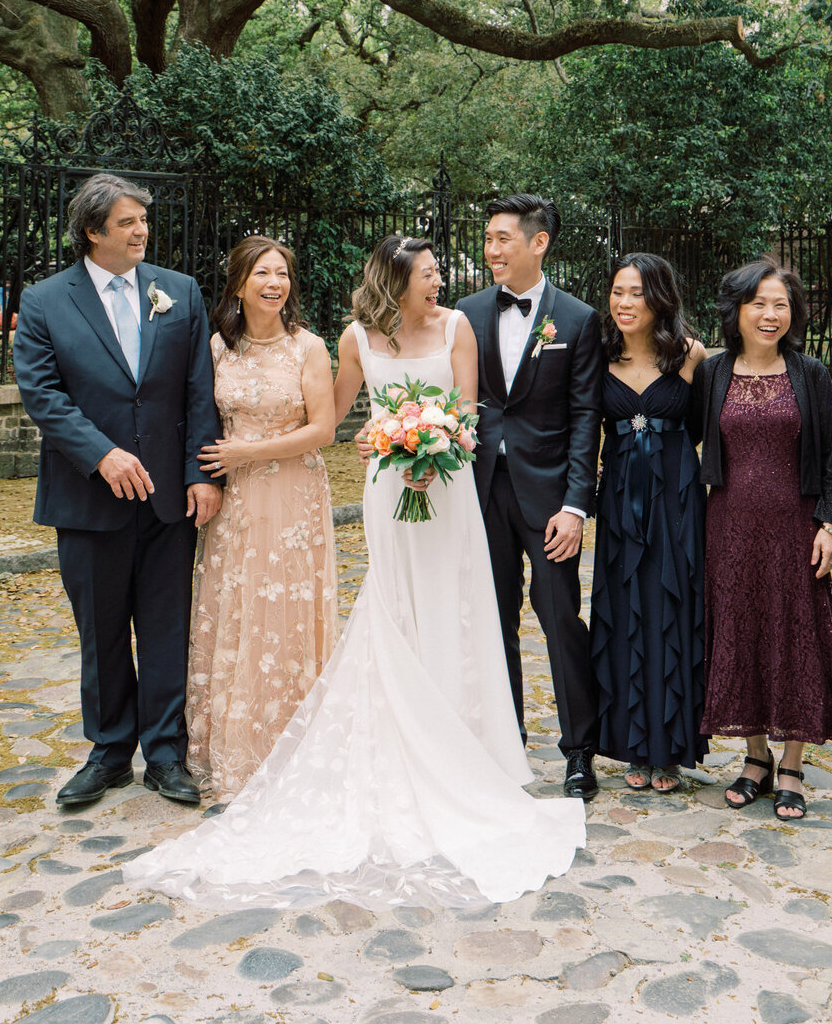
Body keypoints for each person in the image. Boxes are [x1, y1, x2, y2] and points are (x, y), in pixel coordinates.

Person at [125, 235, 584, 907]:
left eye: (437, 272)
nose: (438, 281)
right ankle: (399, 738)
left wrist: (439, 445)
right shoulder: (354, 339)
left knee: (456, 602)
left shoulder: (458, 326)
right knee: (394, 605)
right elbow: (334, 417)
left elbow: (466, 409)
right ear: (395, 279)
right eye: (427, 273)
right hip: (387, 489)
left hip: (448, 487)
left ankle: (466, 744)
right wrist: (385, 441)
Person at [12, 172, 222, 811]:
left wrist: (200, 474)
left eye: (143, 221)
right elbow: (43, 396)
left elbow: (198, 391)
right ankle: (108, 753)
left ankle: (165, 755)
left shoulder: (178, 291)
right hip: (88, 499)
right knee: (100, 633)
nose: (142, 231)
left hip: (169, 500)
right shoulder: (46, 301)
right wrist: (100, 454)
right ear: (93, 231)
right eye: (128, 222)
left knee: (166, 626)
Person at [692, 258, 832, 820]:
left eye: (780, 304)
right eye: (758, 303)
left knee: (795, 636)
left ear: (793, 312)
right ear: (736, 310)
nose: (769, 314)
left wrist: (829, 526)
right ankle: (754, 758)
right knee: (741, 634)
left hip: (795, 528)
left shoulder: (808, 373)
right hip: (729, 527)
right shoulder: (712, 373)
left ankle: (791, 763)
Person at [455, 194, 605, 800]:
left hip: (549, 500)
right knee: (494, 624)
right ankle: (503, 742)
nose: (491, 250)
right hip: (480, 491)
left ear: (538, 243)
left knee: (560, 619)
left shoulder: (576, 319)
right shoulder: (464, 313)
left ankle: (579, 753)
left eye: (502, 239)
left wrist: (574, 506)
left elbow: (585, 417)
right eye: (487, 239)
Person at [185, 237, 338, 800]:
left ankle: (291, 742)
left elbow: (323, 429)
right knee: (239, 605)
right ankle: (233, 742)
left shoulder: (309, 347)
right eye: (262, 273)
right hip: (238, 502)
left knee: (287, 609)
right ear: (239, 283)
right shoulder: (219, 349)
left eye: (282, 274)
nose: (275, 283)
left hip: (292, 492)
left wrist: (246, 453)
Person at [590, 253, 708, 792]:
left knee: (670, 610)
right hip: (618, 501)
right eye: (617, 292)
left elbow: (708, 428)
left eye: (636, 292)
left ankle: (670, 748)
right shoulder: (598, 355)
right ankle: (632, 747)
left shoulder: (690, 356)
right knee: (623, 609)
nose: (624, 303)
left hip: (676, 501)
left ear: (659, 297)